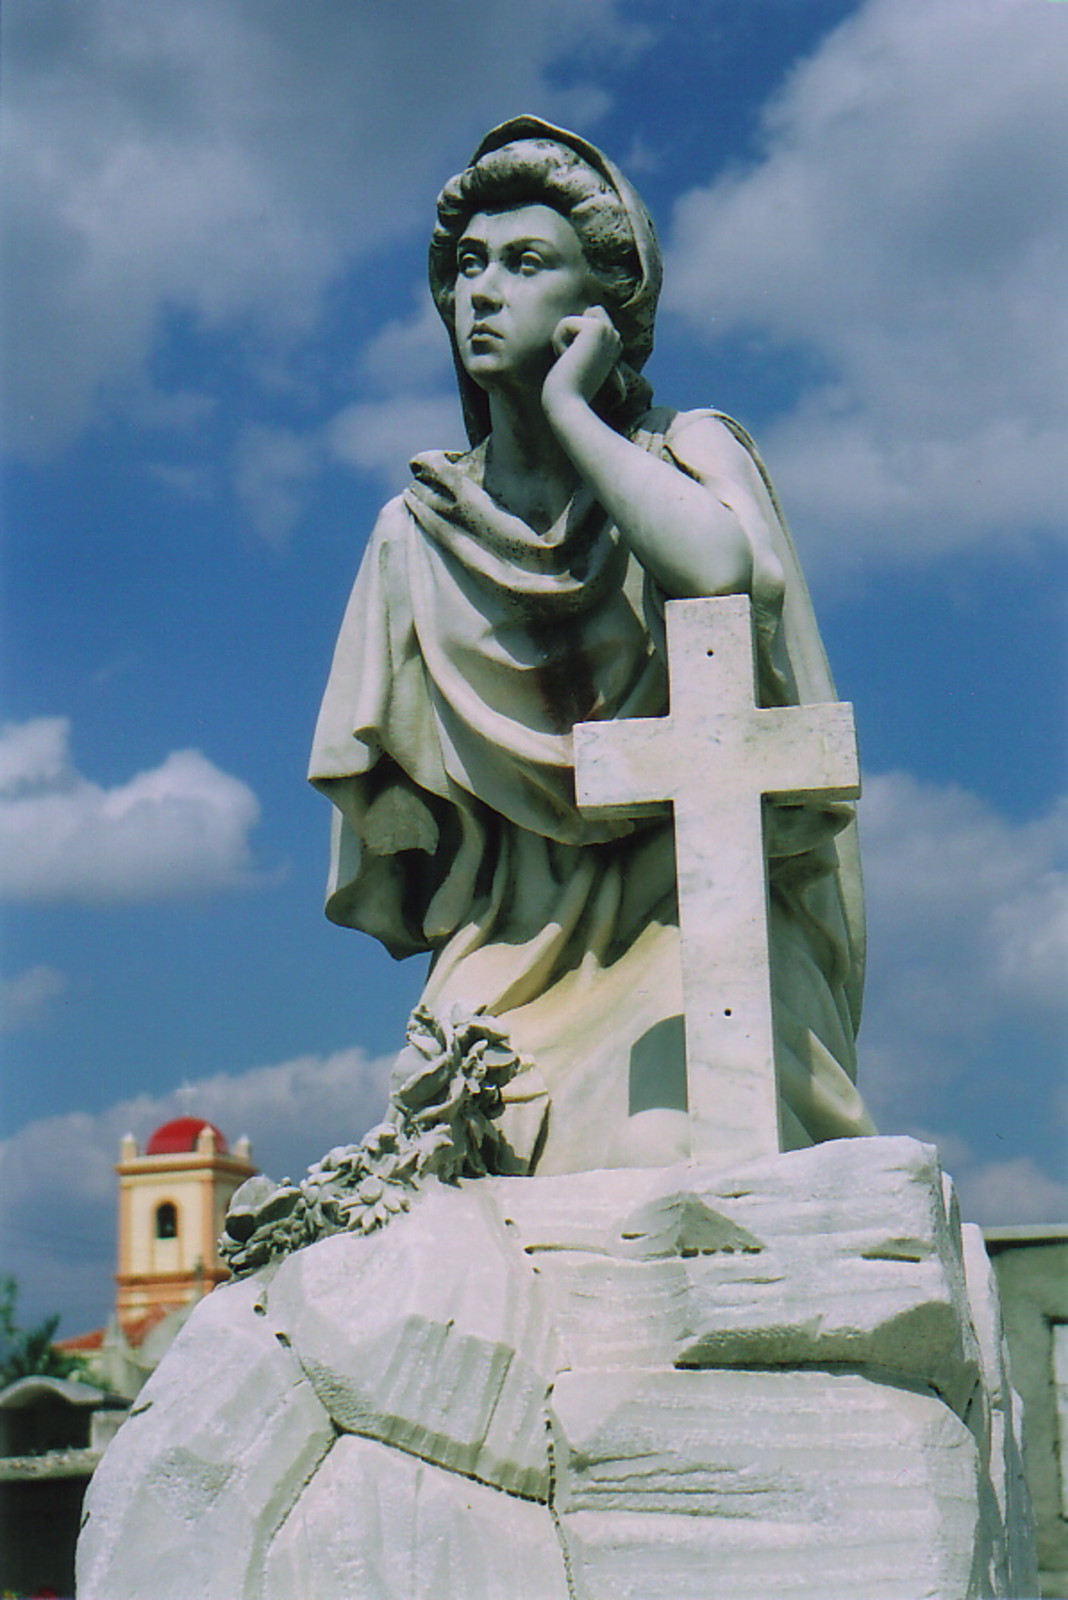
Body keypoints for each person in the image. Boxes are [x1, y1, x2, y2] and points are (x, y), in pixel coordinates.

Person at [310, 116, 875, 1174]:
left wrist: (573, 411)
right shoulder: (418, 531)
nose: (482, 291)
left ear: (600, 308)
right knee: (438, 1180)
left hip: (693, 931)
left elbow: (720, 573)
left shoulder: (689, 452)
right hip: (515, 952)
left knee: (655, 1149)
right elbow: (404, 829)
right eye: (467, 266)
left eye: (526, 264)